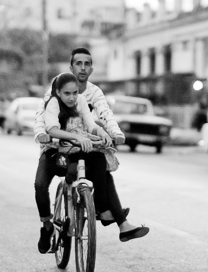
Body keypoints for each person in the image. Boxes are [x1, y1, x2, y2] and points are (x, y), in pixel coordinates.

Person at [33, 47, 149, 253]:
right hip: (54, 147)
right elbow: (42, 117)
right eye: (79, 63)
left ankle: (110, 215)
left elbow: (102, 115)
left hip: (79, 147)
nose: (83, 68)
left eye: (87, 64)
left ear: (91, 69)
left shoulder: (89, 95)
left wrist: (111, 132)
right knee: (40, 185)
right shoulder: (55, 90)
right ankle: (47, 224)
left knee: (100, 164)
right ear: (71, 67)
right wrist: (41, 134)